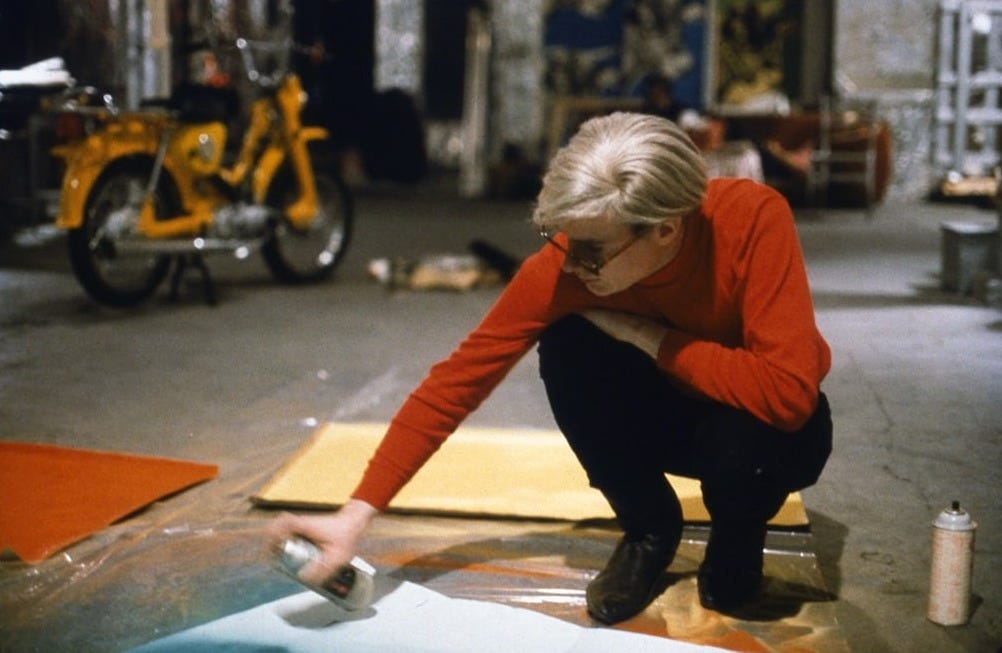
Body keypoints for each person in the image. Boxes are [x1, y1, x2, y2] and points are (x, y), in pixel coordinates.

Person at [269, 112, 833, 623]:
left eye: (592, 248)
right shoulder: (569, 262)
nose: (572, 260)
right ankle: (649, 529)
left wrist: (652, 338)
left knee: (753, 440)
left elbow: (788, 395)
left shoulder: (753, 220)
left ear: (665, 228)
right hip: (667, 414)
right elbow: (456, 383)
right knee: (569, 344)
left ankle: (736, 541)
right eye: (561, 238)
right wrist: (353, 517)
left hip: (758, 435)